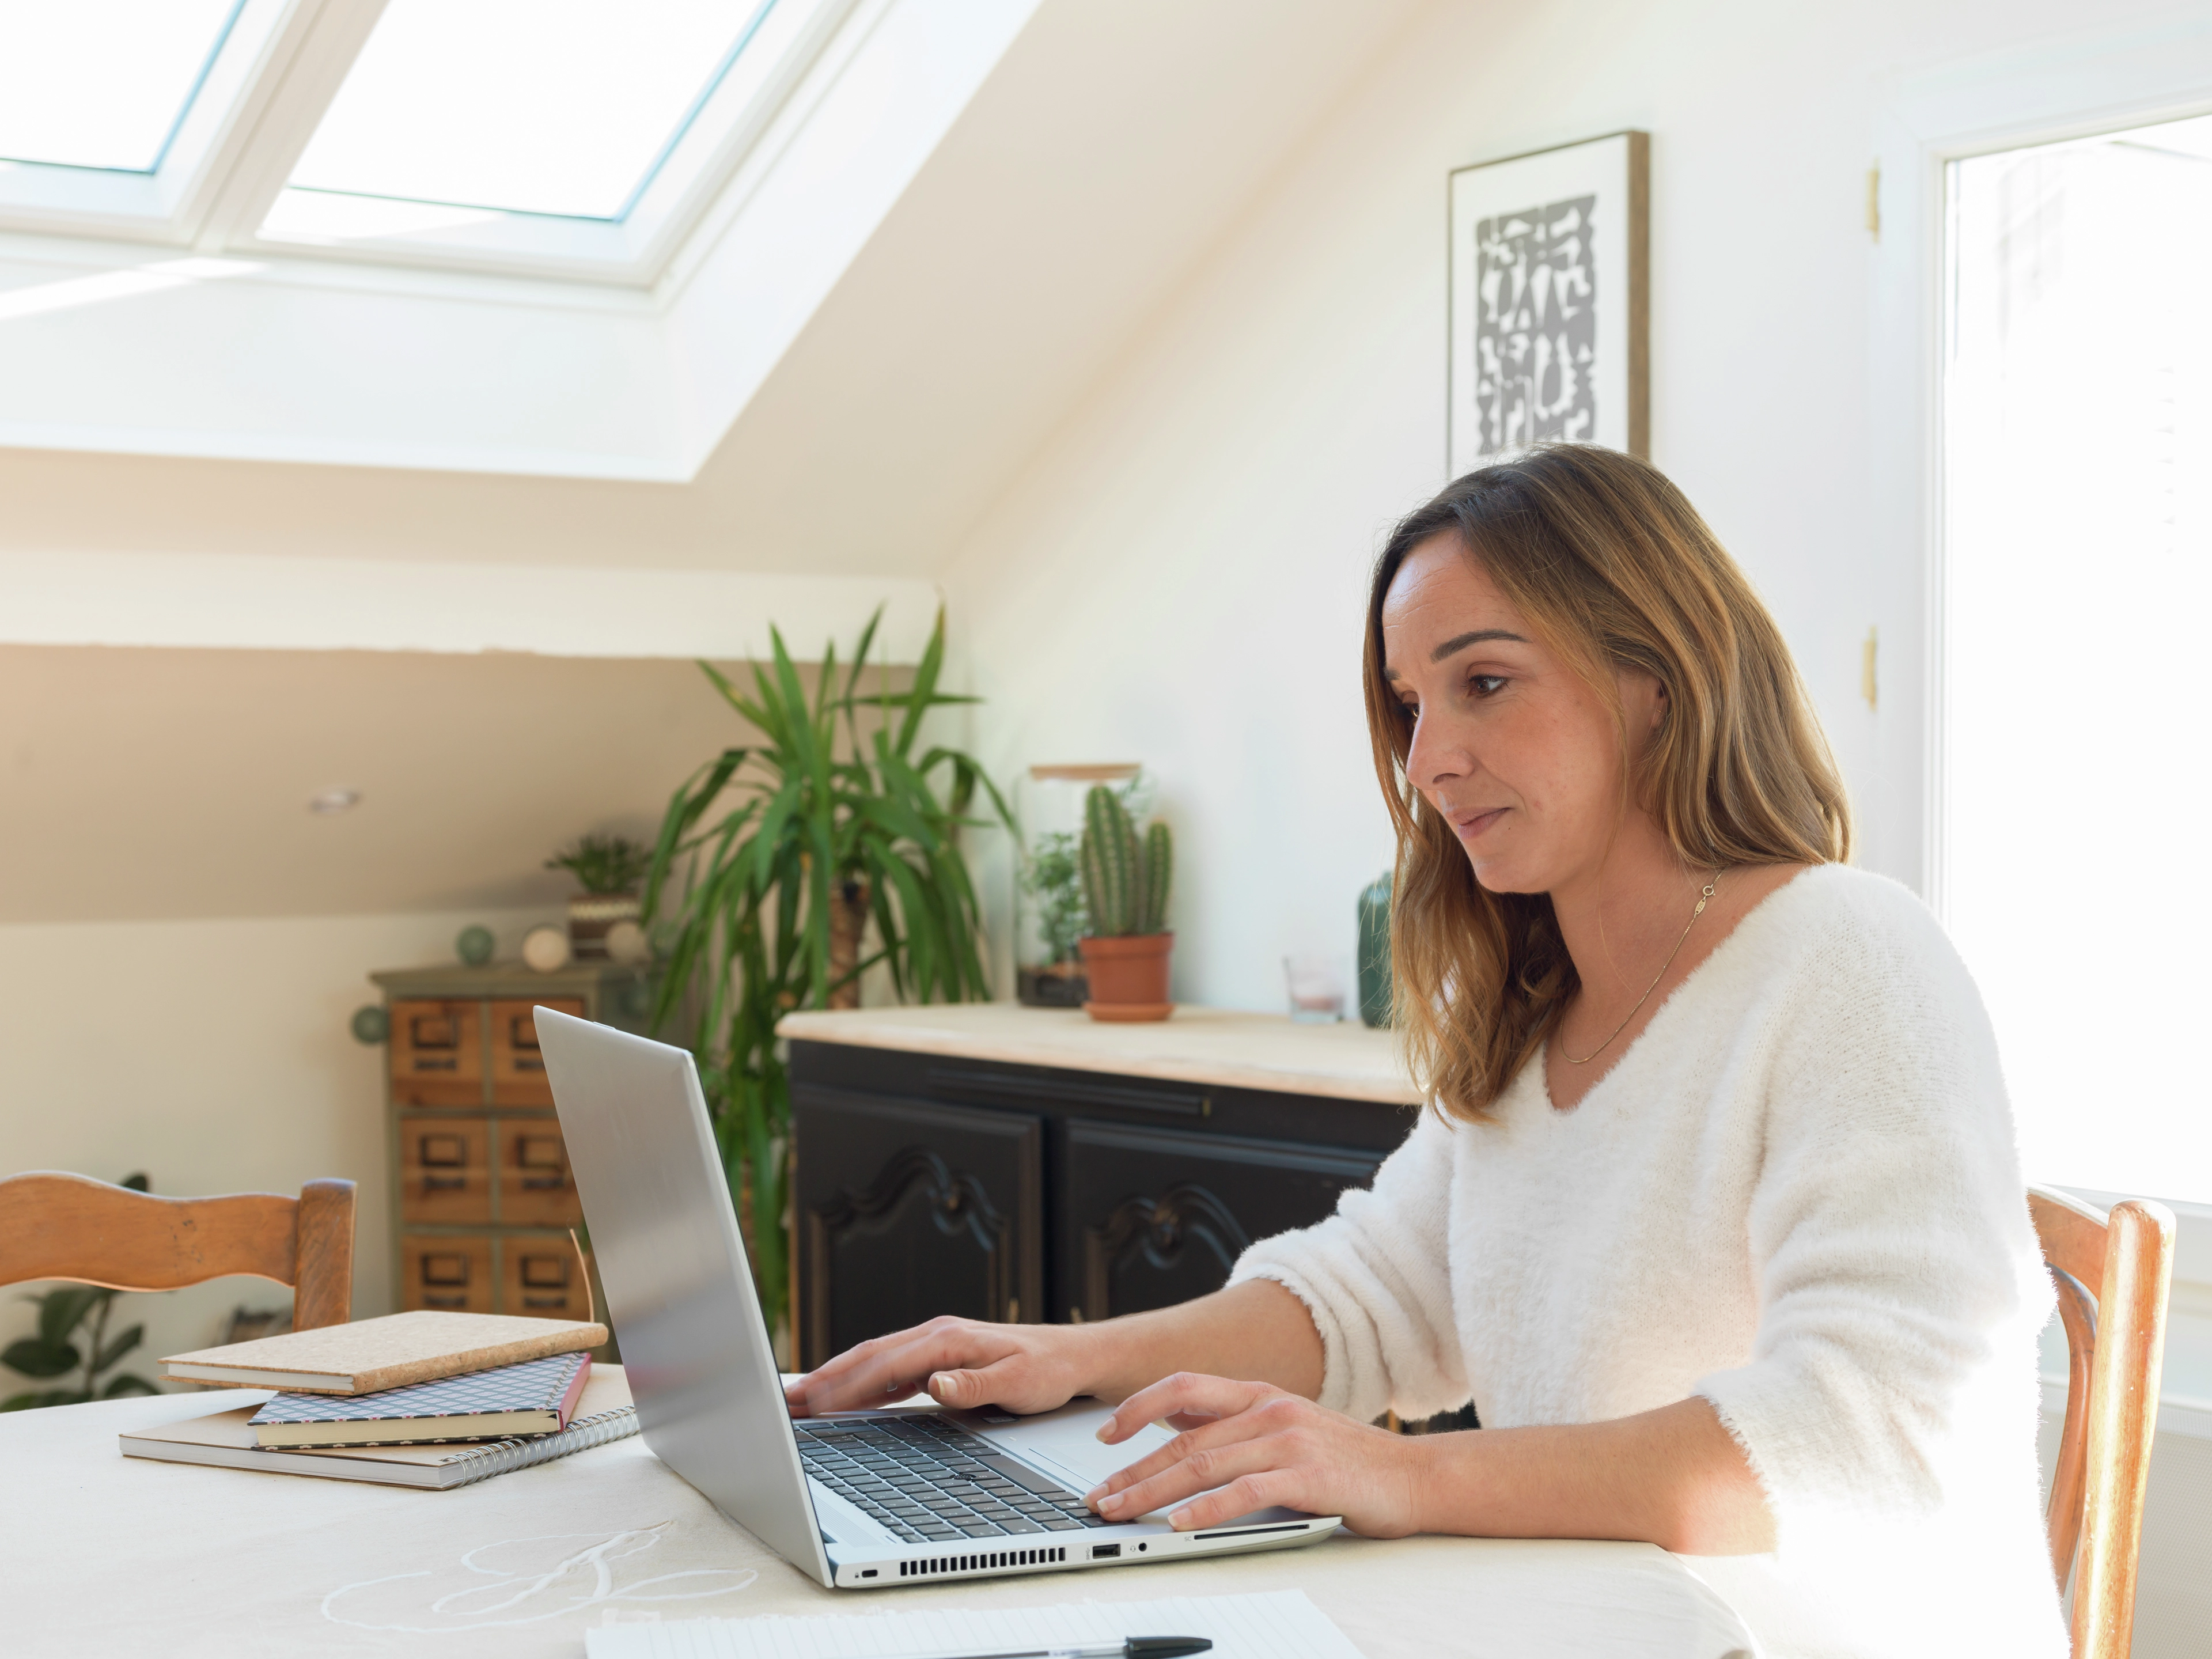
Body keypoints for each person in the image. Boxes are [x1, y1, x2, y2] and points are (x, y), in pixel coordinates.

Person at [787, 445, 2064, 1657]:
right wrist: (1075, 1355)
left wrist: (1405, 1474)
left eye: (1486, 683)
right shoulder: (1536, 1008)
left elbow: (1879, 1438)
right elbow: (1379, 1292)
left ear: (1656, 678)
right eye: (1409, 705)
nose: (1429, 760)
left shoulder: (1847, 956)